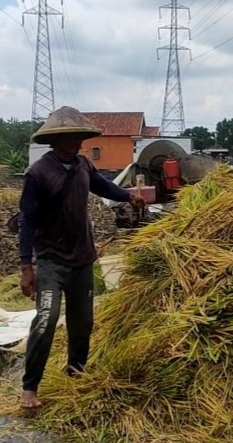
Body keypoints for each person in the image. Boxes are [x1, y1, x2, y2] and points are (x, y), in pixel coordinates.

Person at [17, 106, 146, 409]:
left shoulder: (83, 166)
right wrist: (27, 267)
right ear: (60, 138)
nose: (80, 141)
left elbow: (105, 187)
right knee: (46, 319)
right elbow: (26, 221)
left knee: (83, 322)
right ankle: (30, 387)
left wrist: (129, 196)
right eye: (75, 135)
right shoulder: (38, 173)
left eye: (81, 136)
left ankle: (76, 374)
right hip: (51, 260)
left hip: (83, 259)